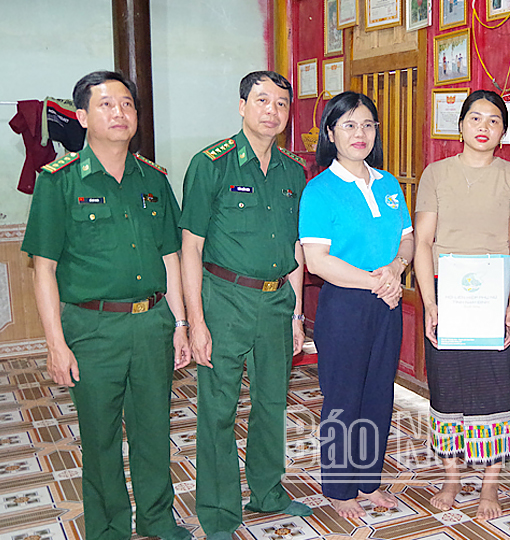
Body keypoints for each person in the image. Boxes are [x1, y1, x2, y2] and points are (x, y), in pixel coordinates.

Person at [22, 70, 192, 540]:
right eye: (106, 104)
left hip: (152, 323)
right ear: (81, 117)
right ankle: (110, 528)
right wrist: (56, 343)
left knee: (153, 432)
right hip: (92, 329)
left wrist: (179, 323)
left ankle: (157, 518)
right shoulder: (59, 182)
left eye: (127, 104)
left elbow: (170, 256)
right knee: (99, 438)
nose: (120, 113)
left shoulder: (153, 179)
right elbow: (44, 269)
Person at [179, 71, 312, 539]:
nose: (271, 110)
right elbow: (190, 246)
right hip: (224, 300)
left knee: (271, 401)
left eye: (280, 103)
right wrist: (195, 321)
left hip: (277, 302)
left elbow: (296, 247)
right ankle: (217, 510)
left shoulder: (293, 172)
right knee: (218, 407)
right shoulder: (211, 164)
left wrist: (296, 314)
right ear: (241, 106)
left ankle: (267, 490)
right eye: (261, 100)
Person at [413, 90, 510, 519]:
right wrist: (429, 303)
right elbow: (423, 242)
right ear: (460, 125)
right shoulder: (436, 175)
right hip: (448, 292)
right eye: (475, 118)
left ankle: (490, 486)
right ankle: (451, 476)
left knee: (493, 388)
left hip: (494, 294)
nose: (484, 126)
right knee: (446, 387)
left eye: (494, 120)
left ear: (503, 131)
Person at [299, 91, 414, 519]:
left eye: (367, 124)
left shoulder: (387, 184)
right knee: (344, 397)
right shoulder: (320, 190)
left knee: (378, 394)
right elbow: (317, 260)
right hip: (345, 305)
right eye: (348, 125)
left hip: (386, 303)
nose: (359, 133)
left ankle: (368, 482)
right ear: (331, 133)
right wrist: (376, 281)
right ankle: (339, 488)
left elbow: (406, 236)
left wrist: (396, 268)